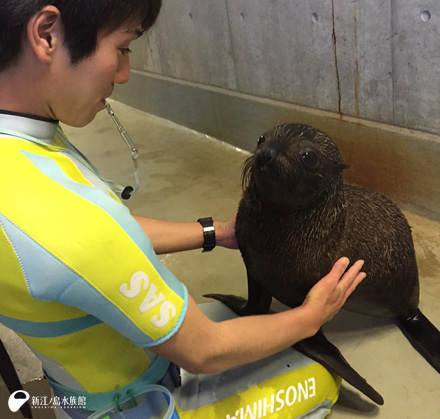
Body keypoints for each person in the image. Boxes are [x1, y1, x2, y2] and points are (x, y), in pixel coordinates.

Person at [0, 1, 366, 418]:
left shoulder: (20, 150)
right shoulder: (69, 222)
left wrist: (215, 232)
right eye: (124, 48)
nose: (124, 74)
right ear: (47, 34)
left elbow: (104, 231)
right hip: (135, 400)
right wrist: (310, 316)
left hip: (74, 383)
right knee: (320, 380)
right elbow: (204, 351)